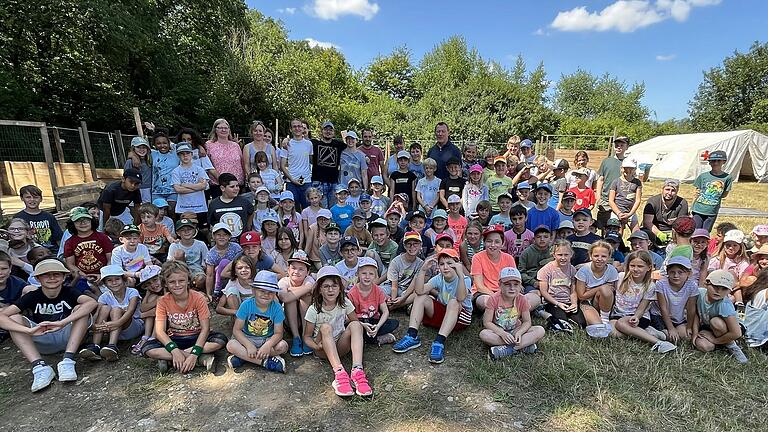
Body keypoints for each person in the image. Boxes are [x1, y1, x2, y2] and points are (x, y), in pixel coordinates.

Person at [0, 259, 97, 392]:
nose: (52, 278)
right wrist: (28, 330)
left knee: (81, 309)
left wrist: (62, 322)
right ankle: (39, 367)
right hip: (42, 336)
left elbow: (92, 303)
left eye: (56, 274)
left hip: (68, 335)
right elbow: (2, 316)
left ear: (64, 277)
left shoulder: (69, 291)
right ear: (38, 279)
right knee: (14, 317)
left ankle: (67, 361)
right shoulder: (32, 295)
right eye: (46, 274)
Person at [141, 261, 228, 372]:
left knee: (220, 340)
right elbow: (160, 332)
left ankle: (171, 359)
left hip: (196, 337)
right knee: (148, 348)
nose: (177, 285)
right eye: (172, 282)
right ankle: (200, 359)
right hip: (175, 338)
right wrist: (175, 351)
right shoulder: (162, 301)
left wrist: (194, 352)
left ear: (188, 281)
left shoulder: (198, 298)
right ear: (165, 284)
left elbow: (205, 328)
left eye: (181, 280)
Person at [392, 248, 472, 364]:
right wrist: (423, 270)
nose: (445, 267)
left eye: (450, 263)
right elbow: (419, 291)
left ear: (457, 264)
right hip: (445, 315)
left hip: (460, 318)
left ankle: (439, 342)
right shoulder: (439, 278)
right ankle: (412, 335)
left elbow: (460, 298)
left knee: (454, 302)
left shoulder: (465, 279)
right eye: (442, 264)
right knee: (421, 297)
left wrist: (460, 274)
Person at [303, 266, 373, 397]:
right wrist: (316, 346)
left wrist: (363, 325)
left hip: (340, 345)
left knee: (356, 325)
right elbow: (306, 337)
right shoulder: (314, 309)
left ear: (340, 288)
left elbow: (354, 321)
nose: (331, 290)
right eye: (326, 286)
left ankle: (357, 370)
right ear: (319, 290)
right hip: (322, 349)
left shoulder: (345, 303)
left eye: (334, 286)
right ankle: (339, 373)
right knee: (325, 327)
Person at [612, 251, 677, 352]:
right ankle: (646, 333)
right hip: (618, 314)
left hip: (638, 317)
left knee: (620, 324)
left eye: (640, 266)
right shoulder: (620, 277)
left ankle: (658, 343)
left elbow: (643, 307)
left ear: (649, 267)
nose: (636, 269)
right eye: (632, 265)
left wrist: (636, 317)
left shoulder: (650, 286)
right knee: (611, 332)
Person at [226, 271, 288, 373]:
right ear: (254, 291)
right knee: (231, 345)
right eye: (262, 291)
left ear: (274, 294)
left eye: (270, 292)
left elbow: (278, 333)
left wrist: (267, 345)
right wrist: (248, 345)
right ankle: (265, 362)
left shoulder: (276, 308)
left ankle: (244, 357)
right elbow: (237, 330)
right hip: (248, 338)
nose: (266, 295)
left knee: (283, 346)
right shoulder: (246, 305)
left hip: (267, 339)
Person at [79, 265, 144, 361]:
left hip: (133, 326)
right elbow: (97, 315)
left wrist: (116, 323)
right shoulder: (104, 297)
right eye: (109, 280)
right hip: (114, 329)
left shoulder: (132, 292)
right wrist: (94, 326)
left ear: (123, 280)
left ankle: (112, 345)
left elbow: (130, 311)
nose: (114, 283)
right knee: (104, 308)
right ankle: (95, 345)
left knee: (116, 310)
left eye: (117, 279)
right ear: (105, 283)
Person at [480, 267, 544, 359]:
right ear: (500, 284)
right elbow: (487, 322)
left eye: (516, 284)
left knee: (540, 330)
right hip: (499, 332)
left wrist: (520, 332)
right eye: (507, 284)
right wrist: (502, 333)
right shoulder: (493, 299)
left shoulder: (522, 299)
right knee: (484, 334)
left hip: (516, 330)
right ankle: (524, 346)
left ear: (520, 286)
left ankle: (508, 349)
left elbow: (527, 322)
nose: (512, 288)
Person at [692, 270, 748, 363]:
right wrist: (695, 332)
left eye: (724, 289)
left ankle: (732, 345)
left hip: (733, 327)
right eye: (715, 287)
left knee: (716, 322)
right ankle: (723, 342)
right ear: (706, 283)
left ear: (729, 291)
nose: (719, 291)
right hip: (709, 326)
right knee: (705, 346)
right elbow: (696, 313)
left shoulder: (724, 304)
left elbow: (736, 333)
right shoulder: (699, 293)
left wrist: (715, 340)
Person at [347, 257, 398, 345]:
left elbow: (385, 311)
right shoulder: (352, 292)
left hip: (374, 320)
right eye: (364, 273)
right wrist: (362, 324)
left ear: (375, 276)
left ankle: (368, 337)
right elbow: (349, 316)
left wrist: (377, 326)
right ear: (358, 274)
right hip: (359, 321)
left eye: (371, 274)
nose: (367, 277)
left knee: (394, 323)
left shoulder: (378, 290)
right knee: (349, 326)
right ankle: (374, 339)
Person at [63, 207, 113, 296]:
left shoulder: (102, 237)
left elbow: (110, 258)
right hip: (82, 276)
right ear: (72, 224)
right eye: (78, 221)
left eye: (86, 220)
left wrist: (104, 274)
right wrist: (84, 276)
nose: (83, 223)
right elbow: (70, 264)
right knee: (83, 290)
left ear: (91, 221)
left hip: (104, 274)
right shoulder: (69, 242)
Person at [538, 240, 585, 332]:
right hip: (552, 302)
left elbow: (573, 290)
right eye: (560, 255)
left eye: (566, 255)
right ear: (554, 254)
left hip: (567, 301)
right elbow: (543, 292)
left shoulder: (572, 270)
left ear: (571, 255)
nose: (563, 258)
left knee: (581, 324)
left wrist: (574, 303)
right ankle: (544, 313)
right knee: (562, 322)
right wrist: (558, 303)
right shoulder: (546, 270)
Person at [575, 241, 619, 338]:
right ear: (591, 256)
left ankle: (605, 318)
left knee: (606, 290)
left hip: (605, 302)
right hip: (586, 302)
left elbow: (613, 290)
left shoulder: (611, 270)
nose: (599, 259)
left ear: (609, 257)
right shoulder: (584, 270)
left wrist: (597, 289)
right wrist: (600, 287)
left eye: (603, 256)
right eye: (596, 256)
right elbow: (581, 296)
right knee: (597, 327)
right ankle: (596, 319)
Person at [471, 225, 517, 312]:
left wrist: (506, 295)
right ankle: (506, 312)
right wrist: (497, 298)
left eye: (497, 242)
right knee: (485, 302)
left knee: (534, 298)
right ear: (484, 242)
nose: (493, 245)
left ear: (502, 243)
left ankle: (505, 311)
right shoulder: (477, 257)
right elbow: (479, 286)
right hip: (484, 293)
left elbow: (514, 281)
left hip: (505, 292)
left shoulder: (509, 258)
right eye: (489, 241)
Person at [14, 185, 63, 253]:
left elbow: (59, 238)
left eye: (35, 197)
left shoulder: (49, 216)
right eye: (28, 197)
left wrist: (62, 253)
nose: (32, 200)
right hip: (29, 253)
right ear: (22, 198)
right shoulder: (18, 217)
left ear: (41, 199)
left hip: (51, 251)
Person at [692, 150, 732, 231]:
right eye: (713, 161)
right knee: (695, 231)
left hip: (712, 211)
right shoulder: (703, 176)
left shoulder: (727, 178)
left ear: (724, 162)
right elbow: (696, 193)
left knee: (706, 232)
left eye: (718, 161)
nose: (716, 163)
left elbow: (724, 194)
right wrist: (692, 208)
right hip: (698, 209)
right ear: (709, 162)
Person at [595, 136, 629, 232]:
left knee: (618, 227)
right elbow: (601, 179)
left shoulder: (627, 163)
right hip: (606, 198)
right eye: (617, 145)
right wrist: (598, 196)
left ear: (627, 147)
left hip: (620, 200)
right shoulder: (607, 161)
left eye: (622, 145)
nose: (619, 147)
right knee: (604, 226)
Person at [383, 231, 424, 310]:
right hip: (392, 287)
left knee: (419, 293)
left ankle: (393, 307)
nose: (412, 247)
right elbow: (394, 286)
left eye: (415, 243)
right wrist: (393, 299)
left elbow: (414, 284)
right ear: (404, 246)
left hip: (407, 290)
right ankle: (399, 304)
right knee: (377, 290)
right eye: (409, 244)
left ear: (420, 245)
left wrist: (403, 298)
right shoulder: (396, 261)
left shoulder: (420, 263)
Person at [172, 143, 210, 229]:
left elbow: (203, 186)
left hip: (200, 207)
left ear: (192, 154)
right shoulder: (176, 171)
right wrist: (197, 187)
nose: (185, 156)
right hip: (183, 207)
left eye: (187, 153)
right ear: (178, 155)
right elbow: (178, 189)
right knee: (184, 229)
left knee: (203, 230)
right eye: (182, 154)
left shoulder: (199, 169)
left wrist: (185, 185)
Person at [642, 179, 689, 246]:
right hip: (654, 230)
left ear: (677, 191)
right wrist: (659, 234)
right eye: (667, 189)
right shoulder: (652, 201)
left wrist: (673, 235)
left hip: (672, 231)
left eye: (673, 191)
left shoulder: (682, 203)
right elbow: (647, 222)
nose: (669, 193)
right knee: (645, 233)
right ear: (662, 189)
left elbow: (681, 223)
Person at [206, 119, 244, 200]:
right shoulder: (209, 145)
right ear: (215, 129)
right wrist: (222, 180)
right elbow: (207, 165)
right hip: (218, 185)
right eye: (220, 128)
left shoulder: (235, 145)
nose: (223, 130)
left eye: (226, 128)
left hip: (237, 185)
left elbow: (242, 163)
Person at [708, 229, 749, 306]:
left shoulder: (743, 262)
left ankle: (739, 303)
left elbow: (742, 279)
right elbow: (710, 274)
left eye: (735, 245)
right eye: (728, 245)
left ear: (740, 247)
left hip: (735, 289)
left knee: (731, 272)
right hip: (718, 285)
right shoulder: (716, 259)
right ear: (724, 245)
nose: (731, 248)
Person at [310, 122, 346, 208]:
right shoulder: (314, 143)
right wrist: (286, 140)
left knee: (333, 209)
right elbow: (300, 141)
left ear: (333, 132)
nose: (328, 132)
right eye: (326, 129)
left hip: (333, 182)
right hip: (318, 182)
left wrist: (365, 156)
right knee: (322, 210)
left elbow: (353, 146)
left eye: (330, 130)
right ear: (321, 131)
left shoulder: (338, 144)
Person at [208, 173, 254, 239]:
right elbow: (212, 222)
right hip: (223, 241)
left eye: (237, 186)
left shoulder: (244, 201)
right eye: (232, 187)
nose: (236, 189)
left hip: (242, 239)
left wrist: (247, 227)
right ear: (222, 188)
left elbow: (251, 212)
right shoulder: (214, 204)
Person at [282, 119, 314, 211]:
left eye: (299, 126)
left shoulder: (309, 144)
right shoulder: (287, 144)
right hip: (291, 183)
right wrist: (292, 179)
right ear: (291, 129)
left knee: (307, 210)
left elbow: (311, 161)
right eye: (294, 126)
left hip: (306, 182)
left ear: (303, 128)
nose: (297, 128)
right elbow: (282, 165)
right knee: (291, 211)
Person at [167, 218, 208, 291]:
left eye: (189, 229)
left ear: (194, 230)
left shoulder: (201, 244)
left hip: (197, 270)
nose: (186, 232)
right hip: (180, 270)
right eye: (183, 230)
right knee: (179, 253)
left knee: (201, 279)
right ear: (178, 233)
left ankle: (195, 291)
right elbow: (169, 263)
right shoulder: (174, 245)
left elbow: (207, 262)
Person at [205, 223, 243, 300]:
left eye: (225, 235)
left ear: (229, 237)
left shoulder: (236, 247)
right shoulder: (211, 253)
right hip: (220, 280)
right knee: (219, 266)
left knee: (225, 262)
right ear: (213, 236)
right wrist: (208, 293)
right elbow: (209, 275)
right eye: (218, 235)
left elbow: (242, 262)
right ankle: (217, 291)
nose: (222, 237)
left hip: (235, 275)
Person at [132, 265, 163, 355]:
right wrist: (148, 294)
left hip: (170, 319)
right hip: (155, 314)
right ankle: (146, 336)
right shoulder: (152, 293)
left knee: (158, 306)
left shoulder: (168, 289)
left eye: (155, 280)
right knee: (153, 298)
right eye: (148, 284)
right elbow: (142, 308)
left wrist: (142, 316)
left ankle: (153, 337)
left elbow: (157, 311)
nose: (153, 285)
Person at [149, 131, 180, 216]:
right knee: (158, 214)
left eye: (165, 143)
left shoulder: (175, 153)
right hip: (157, 191)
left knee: (172, 212)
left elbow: (188, 146)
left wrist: (200, 147)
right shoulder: (152, 154)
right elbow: (136, 150)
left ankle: (171, 229)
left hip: (172, 190)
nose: (162, 145)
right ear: (154, 144)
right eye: (158, 143)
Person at [608, 157, 642, 234]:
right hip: (617, 212)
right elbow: (611, 200)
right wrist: (619, 213)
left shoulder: (637, 183)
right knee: (617, 234)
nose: (628, 171)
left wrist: (630, 214)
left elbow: (638, 200)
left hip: (630, 212)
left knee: (637, 233)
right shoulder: (616, 182)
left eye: (631, 168)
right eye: (625, 168)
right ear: (621, 168)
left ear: (634, 169)